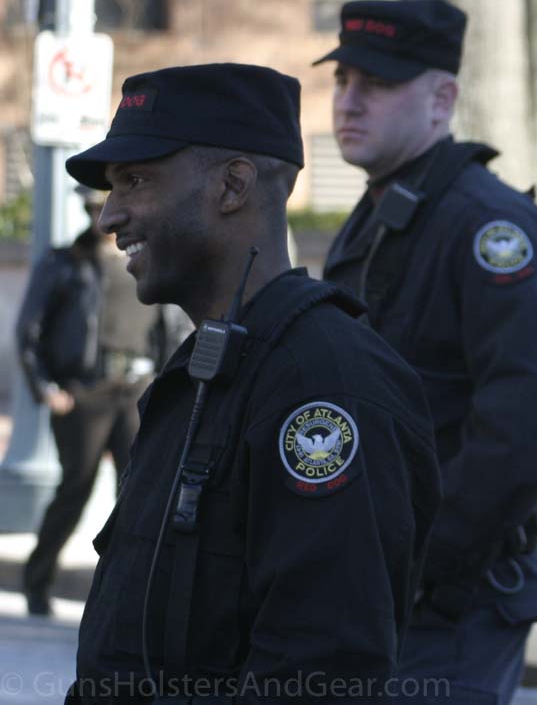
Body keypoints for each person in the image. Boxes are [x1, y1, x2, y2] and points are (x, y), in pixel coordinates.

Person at [62, 63, 441, 702]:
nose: (110, 215)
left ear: (233, 185)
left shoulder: (324, 382)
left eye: (135, 180)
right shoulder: (199, 377)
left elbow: (319, 673)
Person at [315, 1, 537, 702]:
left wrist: (433, 556)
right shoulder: (382, 213)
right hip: (371, 589)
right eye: (341, 79)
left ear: (442, 99)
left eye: (374, 85)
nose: (348, 102)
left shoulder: (484, 222)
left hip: (447, 602)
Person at [15, 185, 177, 617]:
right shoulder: (64, 263)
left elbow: (171, 327)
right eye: (92, 208)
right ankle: (37, 582)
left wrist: (165, 384)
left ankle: (133, 596)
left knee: (140, 491)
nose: (102, 217)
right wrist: (46, 388)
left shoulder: (148, 259)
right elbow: (28, 332)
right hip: (84, 393)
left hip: (136, 389)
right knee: (76, 489)